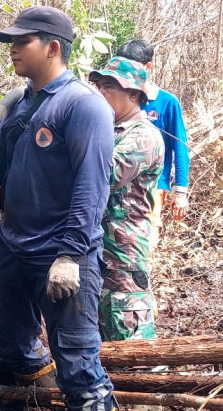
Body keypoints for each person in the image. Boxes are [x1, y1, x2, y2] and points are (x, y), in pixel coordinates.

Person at [0, 6, 117, 410]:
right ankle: (46, 399)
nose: (11, 49)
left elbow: (91, 186)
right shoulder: (19, 105)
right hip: (15, 249)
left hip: (60, 255)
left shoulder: (83, 106)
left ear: (51, 48)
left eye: (21, 41)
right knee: (9, 343)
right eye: (10, 41)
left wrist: (70, 255)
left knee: (79, 368)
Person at [90, 57, 164, 341]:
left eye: (109, 86)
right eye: (98, 85)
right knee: (98, 324)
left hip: (124, 251)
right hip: (98, 248)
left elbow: (103, 173)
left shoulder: (143, 136)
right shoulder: (105, 130)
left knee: (127, 326)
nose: (100, 92)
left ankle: (150, 384)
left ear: (133, 95)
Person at [114, 39, 189, 249]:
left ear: (148, 67)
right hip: (117, 183)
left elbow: (179, 147)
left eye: (134, 68)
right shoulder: (115, 98)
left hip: (153, 186)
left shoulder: (166, 102)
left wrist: (180, 191)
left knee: (145, 242)